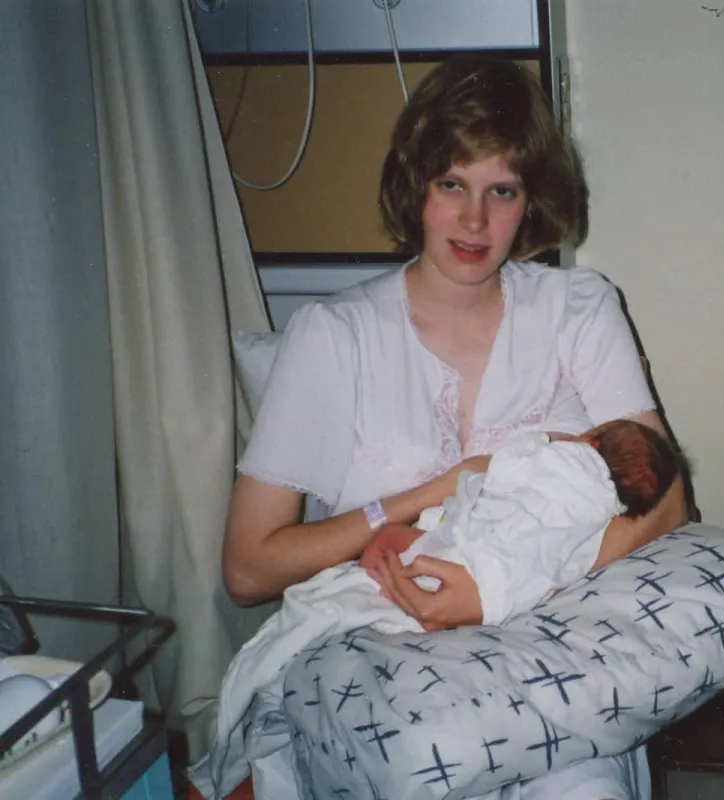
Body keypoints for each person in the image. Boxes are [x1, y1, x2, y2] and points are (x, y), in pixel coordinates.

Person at [221, 55, 689, 800]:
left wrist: (497, 590)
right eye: (451, 185)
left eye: (501, 190)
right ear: (416, 187)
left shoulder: (578, 309)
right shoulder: (334, 337)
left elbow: (668, 504)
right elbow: (248, 570)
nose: (475, 221)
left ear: (530, 200)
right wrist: (429, 493)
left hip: (553, 638)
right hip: (377, 643)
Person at [359, 419, 683, 623]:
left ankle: (363, 580)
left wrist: (541, 440)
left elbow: (503, 470)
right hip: (504, 587)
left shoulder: (562, 457)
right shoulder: (602, 515)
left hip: (471, 546)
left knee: (388, 537)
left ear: (591, 442)